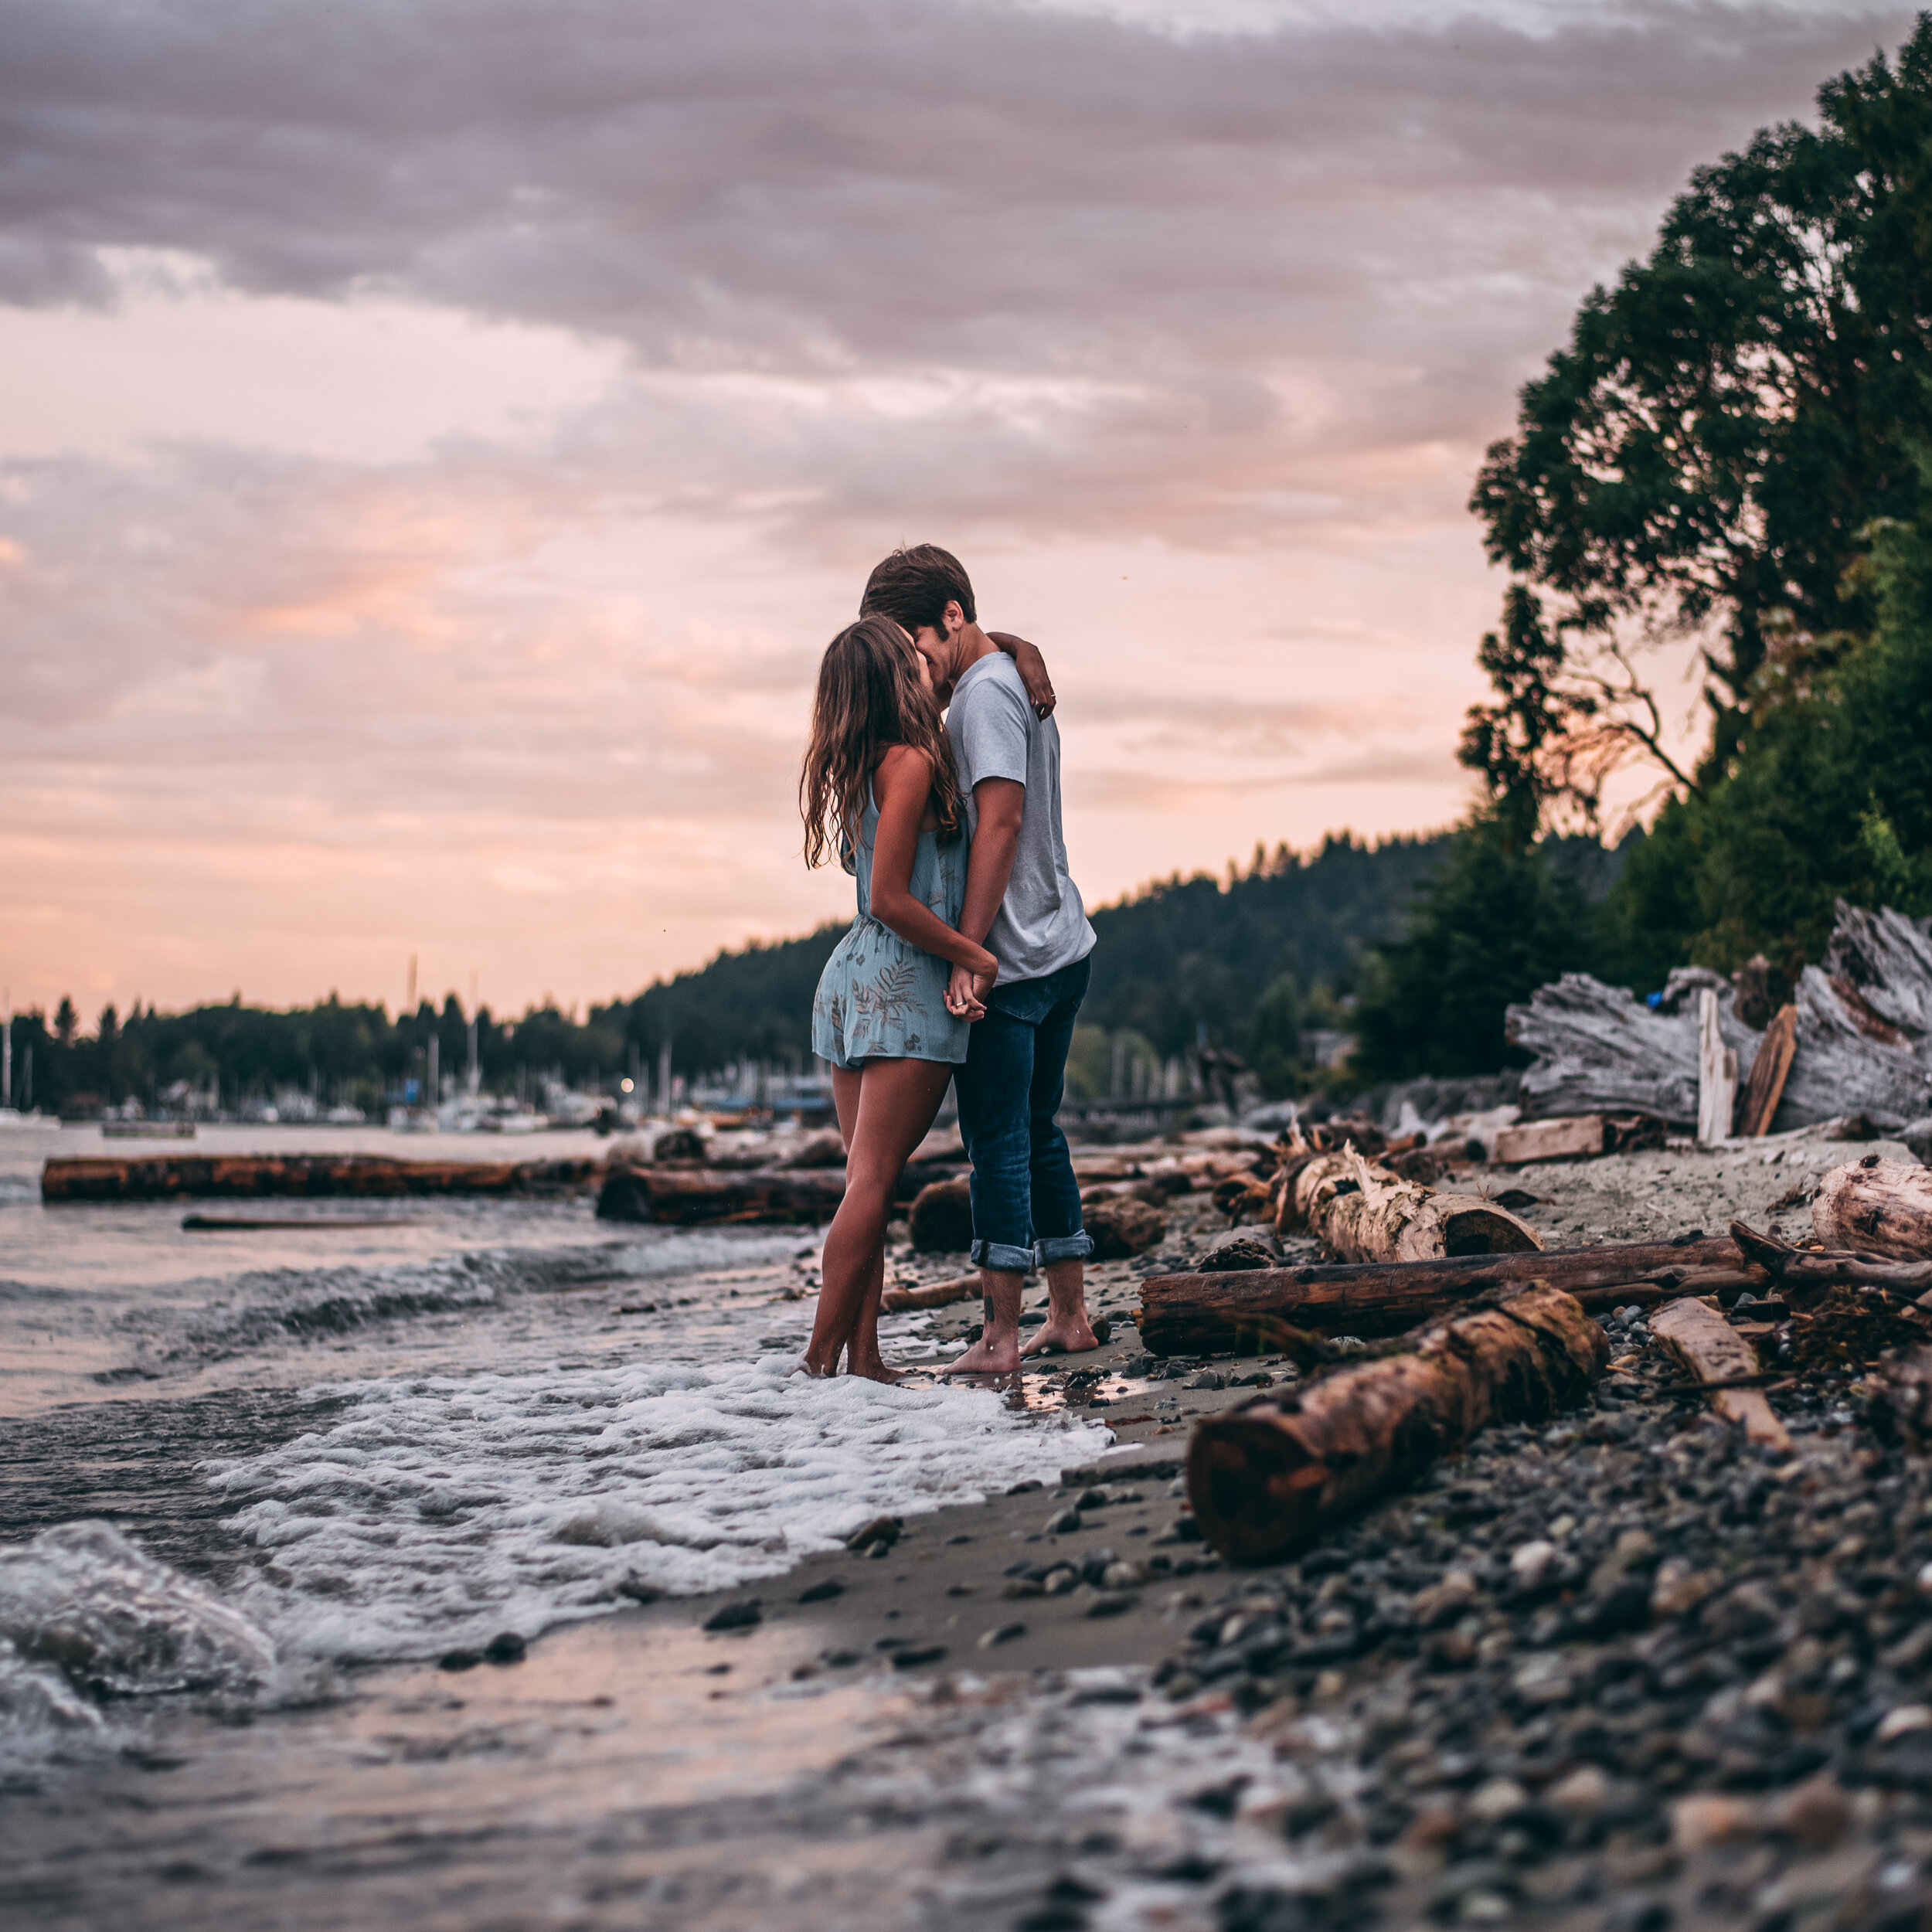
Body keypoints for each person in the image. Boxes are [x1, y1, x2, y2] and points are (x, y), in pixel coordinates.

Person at [858, 546, 1097, 1376]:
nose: (912, 673)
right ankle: (1068, 1317)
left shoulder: (988, 697)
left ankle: (999, 1339)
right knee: (1038, 1132)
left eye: (915, 653)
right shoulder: (1005, 678)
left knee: (995, 1140)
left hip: (1015, 958)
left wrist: (968, 950)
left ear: (951, 618)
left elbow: (997, 823)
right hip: (1059, 942)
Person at [798, 615, 997, 1379]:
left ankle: (865, 1357)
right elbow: (889, 897)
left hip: (852, 982)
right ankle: (819, 1361)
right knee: (874, 1182)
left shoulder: (859, 765)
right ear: (894, 679)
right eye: (913, 659)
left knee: (865, 1184)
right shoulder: (912, 761)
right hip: (904, 985)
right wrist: (971, 952)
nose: (926, 664)